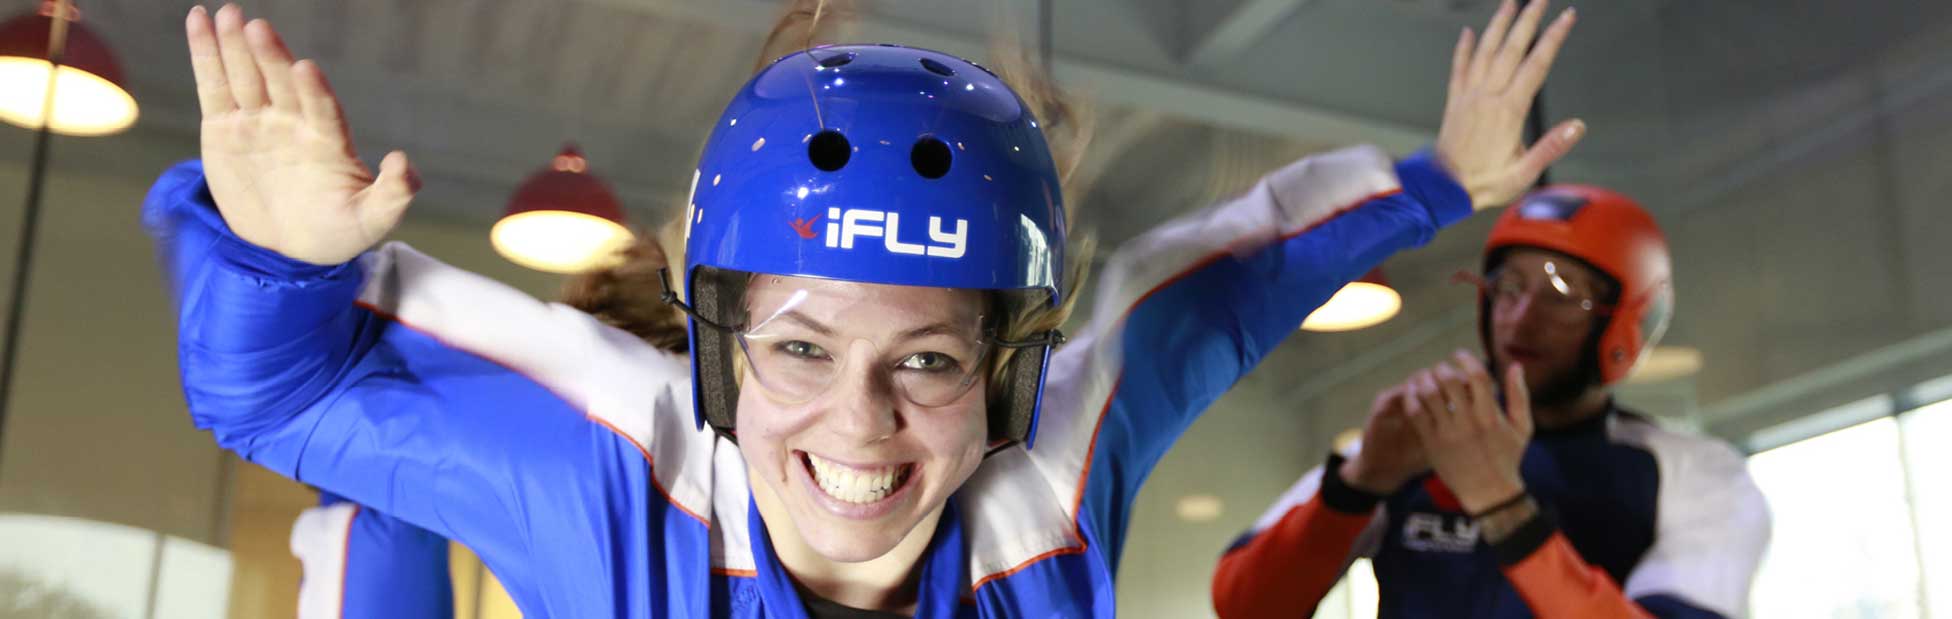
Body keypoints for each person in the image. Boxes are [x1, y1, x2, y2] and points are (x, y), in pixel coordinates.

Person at [147, 0, 1580, 615]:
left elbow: (1219, 284)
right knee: (368, 519)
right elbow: (288, 391)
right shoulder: (619, 471)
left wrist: (1434, 179)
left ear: (1010, 375)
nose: (860, 424)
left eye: (932, 359)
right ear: (720, 350)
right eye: (800, 346)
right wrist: (275, 256)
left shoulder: (1052, 480)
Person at [1211, 185, 1771, 618]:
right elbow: (1245, 605)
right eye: (1508, 287)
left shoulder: (1693, 473)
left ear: (1626, 321)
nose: (1521, 318)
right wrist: (1358, 485)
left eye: (1560, 295)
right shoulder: (1411, 441)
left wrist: (1502, 506)